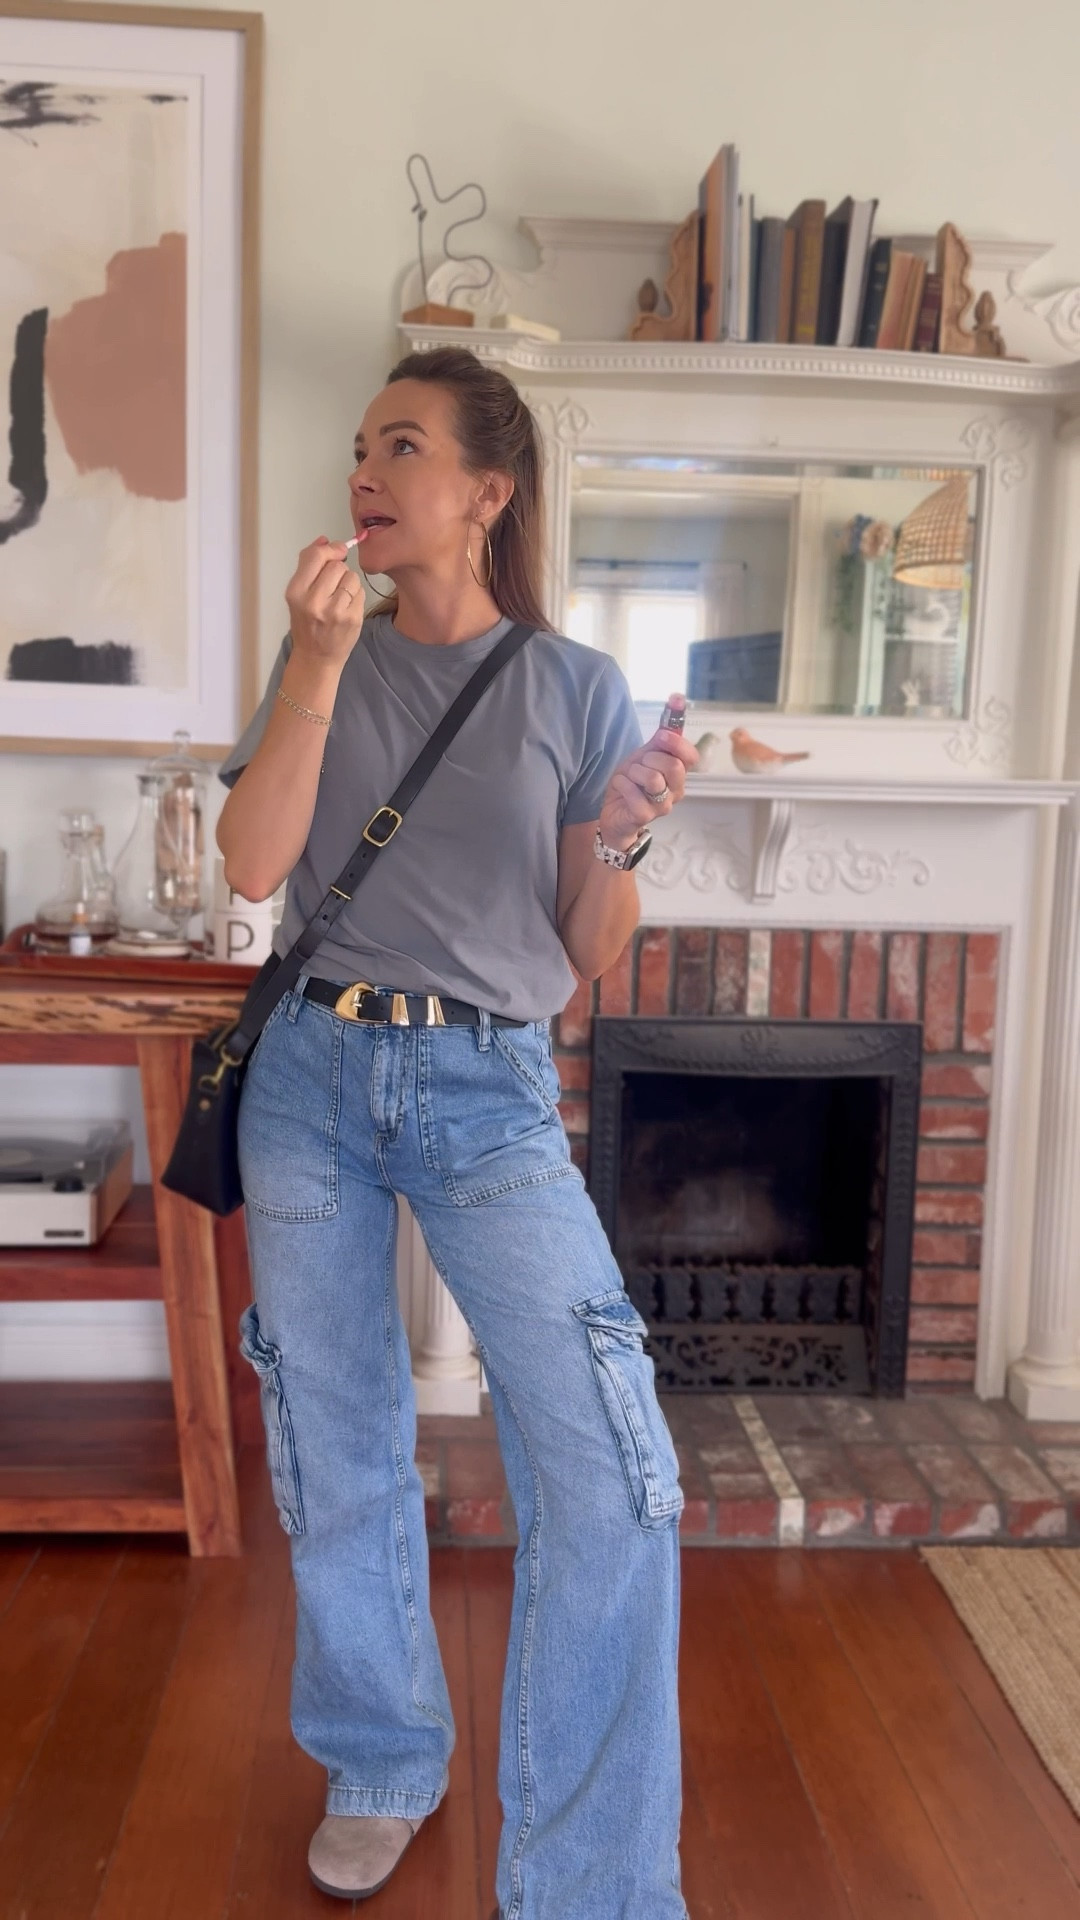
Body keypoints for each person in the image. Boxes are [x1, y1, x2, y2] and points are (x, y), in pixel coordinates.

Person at [216, 347, 698, 1920]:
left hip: (488, 1089)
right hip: (309, 1077)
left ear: (487, 492)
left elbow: (586, 948)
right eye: (359, 445)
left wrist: (618, 828)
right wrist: (306, 668)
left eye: (401, 445)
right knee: (337, 1442)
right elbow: (251, 858)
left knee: (613, 1473)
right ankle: (379, 1759)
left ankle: (594, 1881)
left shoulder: (572, 685)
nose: (365, 470)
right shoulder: (318, 653)